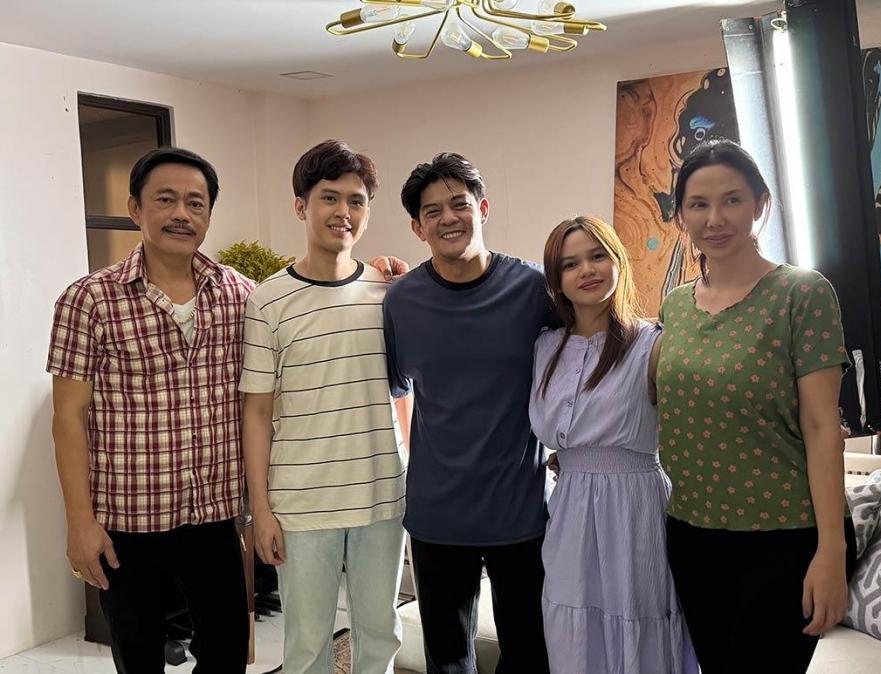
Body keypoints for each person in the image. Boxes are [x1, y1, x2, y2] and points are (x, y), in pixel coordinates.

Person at [47, 147, 252, 672]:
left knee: (227, 654)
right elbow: (68, 419)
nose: (181, 213)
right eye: (165, 199)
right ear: (135, 208)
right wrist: (79, 523)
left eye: (195, 203)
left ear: (208, 214)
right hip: (127, 523)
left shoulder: (239, 295)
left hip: (213, 516)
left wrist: (380, 274)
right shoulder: (89, 300)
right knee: (138, 660)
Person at [658, 139, 856, 673]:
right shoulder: (675, 306)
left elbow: (822, 427)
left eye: (732, 200)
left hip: (786, 536)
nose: (715, 218)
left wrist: (831, 551)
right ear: (681, 215)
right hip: (693, 533)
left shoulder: (802, 293)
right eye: (698, 204)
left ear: (760, 203)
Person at [241, 139, 410, 674]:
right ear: (301, 206)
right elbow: (256, 413)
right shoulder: (267, 301)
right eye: (329, 198)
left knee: (380, 633)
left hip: (383, 495)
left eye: (356, 201)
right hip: (301, 502)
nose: (344, 212)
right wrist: (261, 510)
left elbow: (406, 387)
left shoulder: (391, 291)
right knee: (307, 645)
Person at [383, 152, 553, 674]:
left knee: (530, 653)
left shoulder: (534, 289)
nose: (448, 218)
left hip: (521, 512)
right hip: (438, 514)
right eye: (432, 211)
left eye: (459, 204)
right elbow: (397, 387)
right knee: (448, 659)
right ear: (418, 228)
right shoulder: (401, 301)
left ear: (483, 208)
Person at [529, 216, 697, 674]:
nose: (586, 270)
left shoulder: (653, 343)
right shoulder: (544, 347)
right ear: (556, 279)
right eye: (570, 264)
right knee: (571, 627)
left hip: (635, 505)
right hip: (569, 507)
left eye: (597, 256)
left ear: (618, 260)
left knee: (637, 622)